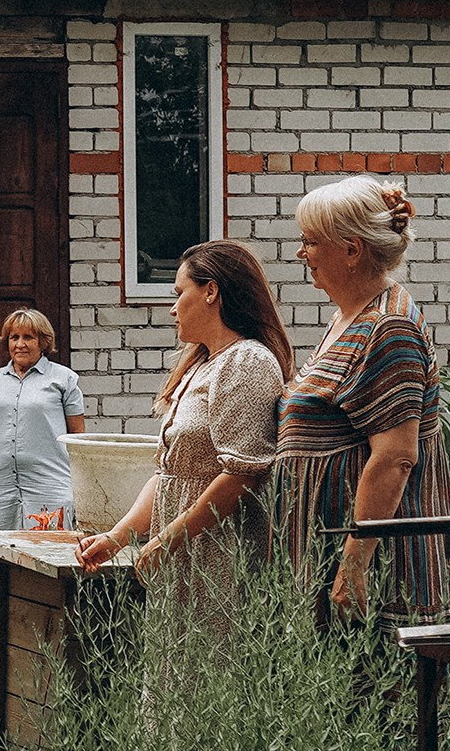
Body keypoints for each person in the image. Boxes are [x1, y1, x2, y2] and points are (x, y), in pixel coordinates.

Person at [272, 177, 450, 625]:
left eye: (310, 242)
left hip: (380, 571)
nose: (302, 253)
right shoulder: (349, 316)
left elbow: (396, 456)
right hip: (326, 551)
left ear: (352, 249)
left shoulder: (388, 327)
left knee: (375, 689)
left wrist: (354, 565)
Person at [77, 240, 290, 594]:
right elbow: (168, 473)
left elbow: (243, 475)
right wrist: (118, 536)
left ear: (211, 291)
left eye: (179, 293)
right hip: (181, 554)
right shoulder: (204, 364)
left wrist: (167, 540)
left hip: (220, 556)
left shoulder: (246, 362)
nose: (173, 309)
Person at [0, 309, 87, 532]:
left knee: (48, 553)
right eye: (14, 337)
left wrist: (80, 486)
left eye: (28, 337)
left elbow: (78, 437)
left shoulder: (64, 379)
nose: (20, 344)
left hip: (49, 481)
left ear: (43, 342)